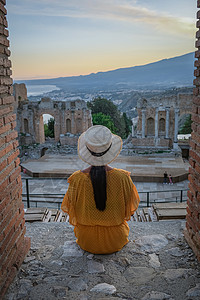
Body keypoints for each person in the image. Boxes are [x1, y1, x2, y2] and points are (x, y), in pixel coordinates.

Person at [61, 125, 140, 254]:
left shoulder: (76, 179)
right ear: (109, 149)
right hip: (116, 239)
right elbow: (131, 208)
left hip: (86, 240)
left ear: (87, 150)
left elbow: (70, 207)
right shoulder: (123, 178)